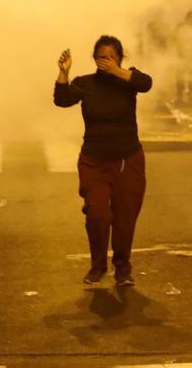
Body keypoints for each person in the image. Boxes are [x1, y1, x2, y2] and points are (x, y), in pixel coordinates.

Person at [54, 36, 152, 287]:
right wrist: (63, 73)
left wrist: (118, 71)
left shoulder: (129, 79)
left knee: (125, 216)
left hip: (126, 159)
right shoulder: (86, 83)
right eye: (101, 57)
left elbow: (146, 83)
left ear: (120, 58)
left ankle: (123, 267)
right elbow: (62, 99)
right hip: (94, 160)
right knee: (97, 213)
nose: (105, 61)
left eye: (111, 56)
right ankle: (97, 266)